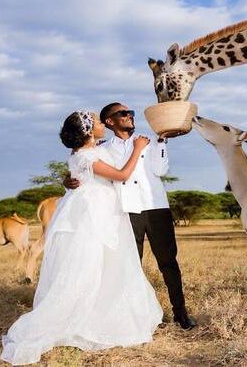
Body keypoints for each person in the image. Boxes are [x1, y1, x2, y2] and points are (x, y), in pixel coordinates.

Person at [1, 111, 163, 365]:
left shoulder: (86, 151)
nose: (101, 125)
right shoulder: (87, 155)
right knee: (90, 263)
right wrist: (138, 148)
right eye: (97, 123)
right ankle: (81, 319)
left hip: (100, 208)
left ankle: (99, 312)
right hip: (94, 211)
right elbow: (120, 175)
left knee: (106, 264)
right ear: (88, 131)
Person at [66, 102, 196, 330]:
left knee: (168, 263)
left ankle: (180, 313)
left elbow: (161, 170)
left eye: (131, 113)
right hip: (125, 211)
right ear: (110, 121)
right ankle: (132, 318)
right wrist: (66, 181)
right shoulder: (102, 148)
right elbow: (82, 165)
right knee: (130, 267)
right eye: (123, 114)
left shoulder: (150, 141)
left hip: (156, 207)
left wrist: (162, 141)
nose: (130, 116)